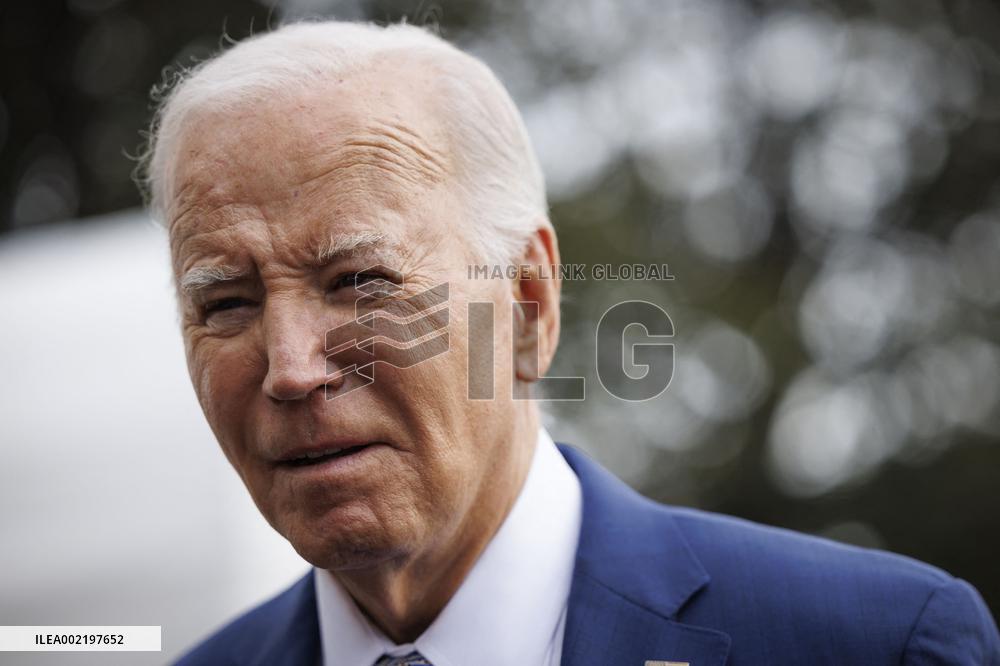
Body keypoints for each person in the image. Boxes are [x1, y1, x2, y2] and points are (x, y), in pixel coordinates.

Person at [138, 19, 1000, 666]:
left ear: (527, 306)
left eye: (360, 282)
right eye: (227, 303)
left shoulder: (877, 645)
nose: (291, 370)